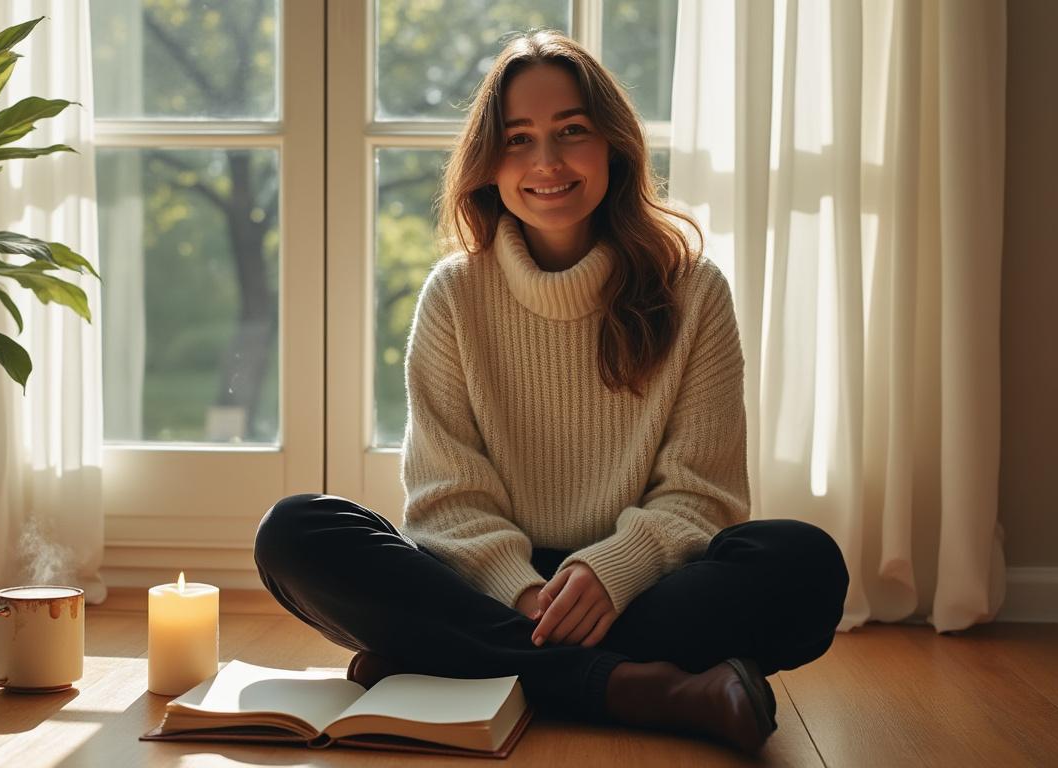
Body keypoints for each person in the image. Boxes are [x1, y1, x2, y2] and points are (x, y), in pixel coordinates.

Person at [254, 29, 848, 755]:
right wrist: (527, 594)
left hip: (639, 585)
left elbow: (702, 494)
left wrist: (611, 571)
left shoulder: (693, 289)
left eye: (572, 131)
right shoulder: (454, 294)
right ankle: (636, 687)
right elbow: (448, 497)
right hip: (490, 582)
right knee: (296, 533)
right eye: (518, 139)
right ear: (489, 162)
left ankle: (449, 660)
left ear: (614, 146)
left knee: (804, 564)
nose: (547, 162)